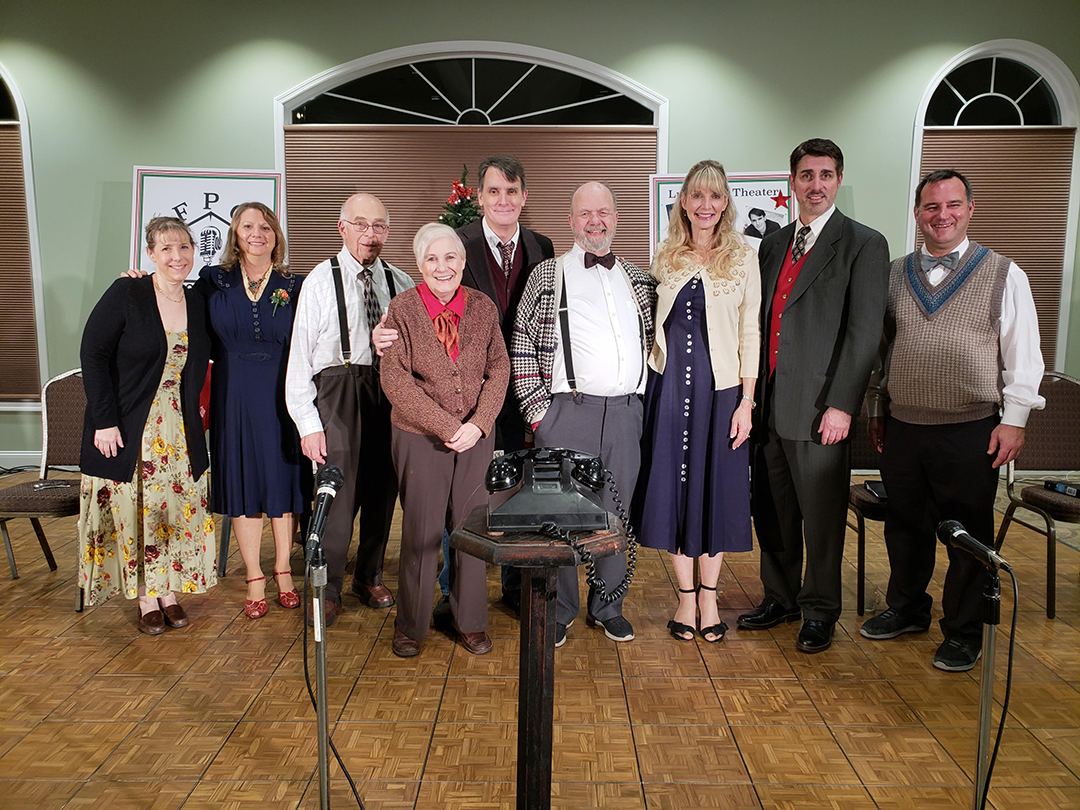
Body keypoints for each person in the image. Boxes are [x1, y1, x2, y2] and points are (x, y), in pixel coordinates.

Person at [861, 169, 1044, 671]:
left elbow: (1023, 354)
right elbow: (880, 352)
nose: (942, 215)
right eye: (932, 206)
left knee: (967, 534)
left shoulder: (1004, 273)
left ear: (970, 209)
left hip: (972, 427)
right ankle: (907, 609)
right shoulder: (894, 273)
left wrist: (1015, 419)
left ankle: (964, 631)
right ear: (918, 213)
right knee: (905, 527)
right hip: (904, 425)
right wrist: (877, 408)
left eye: (953, 205)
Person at [739, 138, 890, 654]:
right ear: (793, 182)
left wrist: (843, 405)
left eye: (826, 175)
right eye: (807, 175)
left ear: (839, 180)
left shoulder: (863, 244)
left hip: (821, 408)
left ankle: (821, 609)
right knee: (774, 511)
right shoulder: (773, 244)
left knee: (822, 518)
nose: (816, 185)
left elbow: (865, 334)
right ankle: (780, 597)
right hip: (769, 406)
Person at [512, 181, 657, 647]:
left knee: (616, 514)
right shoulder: (548, 274)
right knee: (561, 517)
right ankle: (560, 610)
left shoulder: (638, 279)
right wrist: (540, 415)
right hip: (566, 413)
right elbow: (522, 345)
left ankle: (608, 606)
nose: (596, 221)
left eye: (604, 212)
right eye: (585, 213)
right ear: (571, 221)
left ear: (616, 218)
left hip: (625, 415)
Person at [634, 160, 761, 643]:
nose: (706, 205)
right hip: (668, 390)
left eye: (715, 196)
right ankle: (685, 600)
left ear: (725, 203)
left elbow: (750, 332)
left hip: (722, 392)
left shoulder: (744, 256)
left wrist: (747, 402)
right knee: (675, 490)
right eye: (697, 195)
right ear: (683, 202)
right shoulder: (665, 256)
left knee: (716, 490)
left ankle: (710, 597)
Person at [79, 216, 215, 634]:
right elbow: (93, 354)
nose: (177, 256)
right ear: (151, 254)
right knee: (138, 510)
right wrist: (104, 421)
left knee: (173, 509)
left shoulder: (197, 300)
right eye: (166, 248)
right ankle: (145, 596)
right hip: (130, 424)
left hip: (179, 427)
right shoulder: (128, 292)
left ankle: (168, 591)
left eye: (184, 247)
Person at [380, 222, 509, 657]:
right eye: (432, 259)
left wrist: (479, 423)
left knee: (470, 530)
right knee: (421, 532)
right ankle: (411, 625)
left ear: (463, 260)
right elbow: (395, 380)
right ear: (420, 264)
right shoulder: (402, 309)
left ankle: (469, 621)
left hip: (475, 436)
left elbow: (500, 368)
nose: (442, 266)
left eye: (450, 257)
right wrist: (445, 425)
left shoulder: (483, 307)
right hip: (420, 437)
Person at [285, 193, 415, 626]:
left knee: (383, 489)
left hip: (389, 391)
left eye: (378, 226)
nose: (370, 234)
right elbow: (299, 359)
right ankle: (327, 587)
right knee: (336, 495)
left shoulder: (400, 281)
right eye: (361, 224)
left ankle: (369, 575)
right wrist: (308, 424)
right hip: (338, 390)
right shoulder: (320, 280)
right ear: (342, 228)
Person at [454, 155, 555, 610]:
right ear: (479, 197)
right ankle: (457, 591)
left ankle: (516, 586)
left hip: (526, 391)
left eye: (512, 191)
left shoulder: (542, 246)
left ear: (524, 197)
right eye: (494, 191)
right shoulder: (458, 243)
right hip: (470, 393)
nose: (503, 200)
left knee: (521, 491)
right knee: (466, 495)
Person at [197, 203, 305, 619]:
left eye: (265, 226)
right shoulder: (214, 280)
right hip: (234, 395)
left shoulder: (295, 284)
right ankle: (255, 576)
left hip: (283, 394)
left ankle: (283, 570)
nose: (257, 233)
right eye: (248, 226)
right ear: (235, 234)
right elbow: (174, 307)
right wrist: (139, 283)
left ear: (276, 235)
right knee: (245, 484)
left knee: (282, 482)